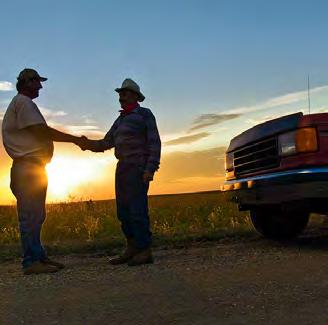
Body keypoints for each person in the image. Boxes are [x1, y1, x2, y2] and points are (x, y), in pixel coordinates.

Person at [2, 68, 85, 275]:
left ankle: (37, 256)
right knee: (31, 216)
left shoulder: (22, 104)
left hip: (32, 168)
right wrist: (76, 140)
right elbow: (42, 132)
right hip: (28, 169)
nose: (40, 86)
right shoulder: (24, 103)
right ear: (27, 82)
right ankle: (31, 262)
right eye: (37, 82)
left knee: (36, 215)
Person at [79, 78, 161, 266]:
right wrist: (86, 144)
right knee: (123, 212)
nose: (121, 97)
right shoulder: (120, 119)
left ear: (134, 96)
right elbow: (105, 143)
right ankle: (131, 248)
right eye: (120, 94)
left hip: (138, 167)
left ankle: (144, 250)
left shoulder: (144, 115)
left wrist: (150, 168)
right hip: (122, 168)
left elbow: (154, 142)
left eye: (124, 93)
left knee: (137, 210)